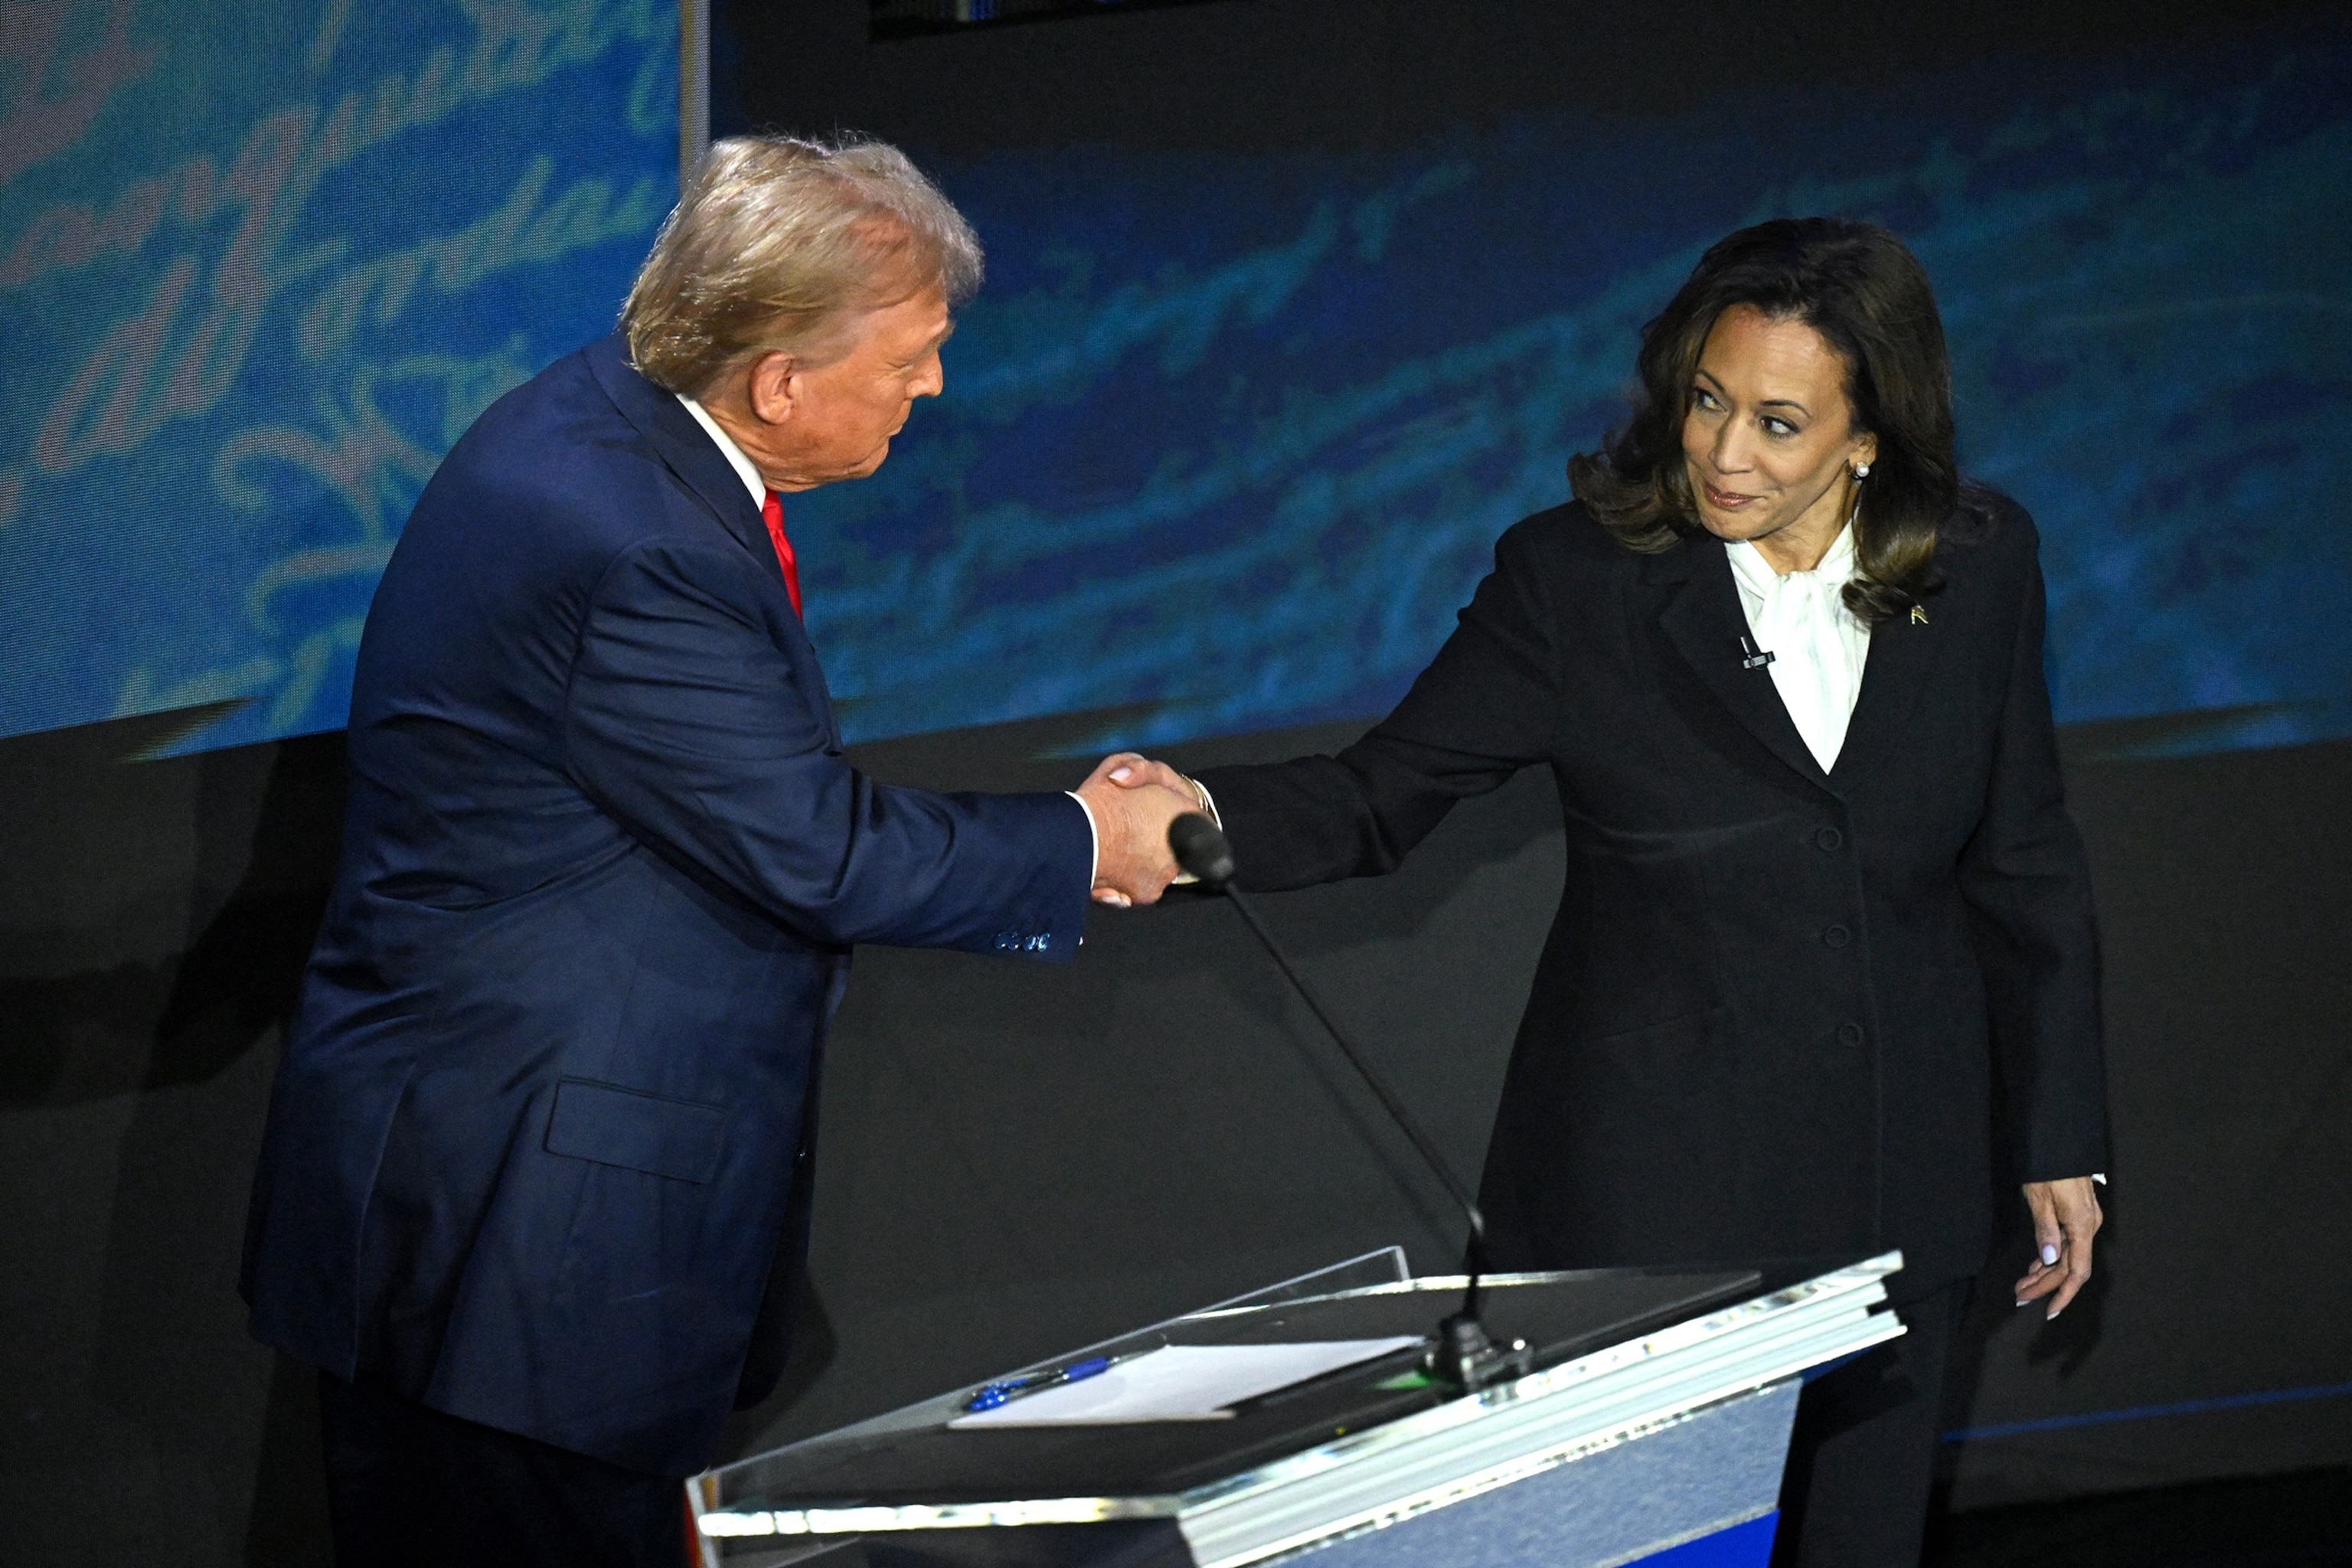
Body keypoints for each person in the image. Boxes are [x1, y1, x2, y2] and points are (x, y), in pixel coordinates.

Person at [239, 135, 1195, 1567]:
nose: (931, 388)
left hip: (477, 1206)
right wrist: (1086, 840)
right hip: (526, 1253)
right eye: (911, 359)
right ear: (780, 382)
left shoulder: (601, 419)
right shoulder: (641, 548)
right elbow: (814, 847)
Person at [1116, 217, 2109, 1566]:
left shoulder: (1982, 562)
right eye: (1707, 401)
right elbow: (1379, 795)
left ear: (1868, 436)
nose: (1724, 453)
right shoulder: (1575, 581)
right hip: (1654, 1211)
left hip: (1904, 1189)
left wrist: (2059, 1134)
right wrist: (1185, 826)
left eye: (1777, 422)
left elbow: (2025, 860)